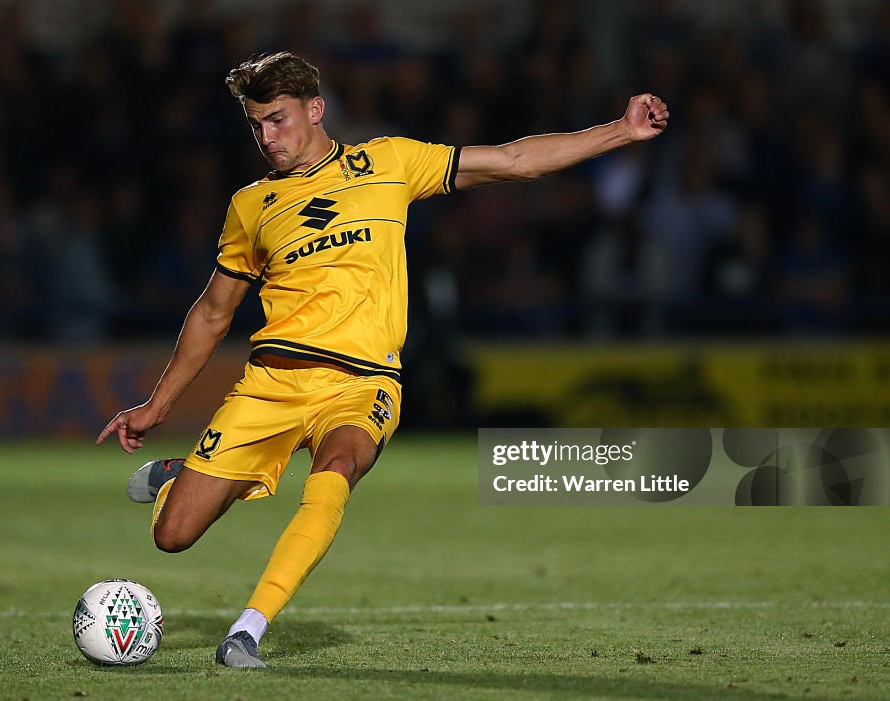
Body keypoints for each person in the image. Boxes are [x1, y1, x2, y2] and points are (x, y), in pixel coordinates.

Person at [96, 51, 669, 668]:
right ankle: (187, 474)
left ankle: (247, 630)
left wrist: (621, 130)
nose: (268, 137)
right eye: (257, 124)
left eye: (279, 119)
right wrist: (158, 404)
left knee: (337, 469)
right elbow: (213, 312)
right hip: (273, 384)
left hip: (363, 383)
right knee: (172, 536)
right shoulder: (251, 206)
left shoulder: (388, 161)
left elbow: (512, 162)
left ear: (316, 110)